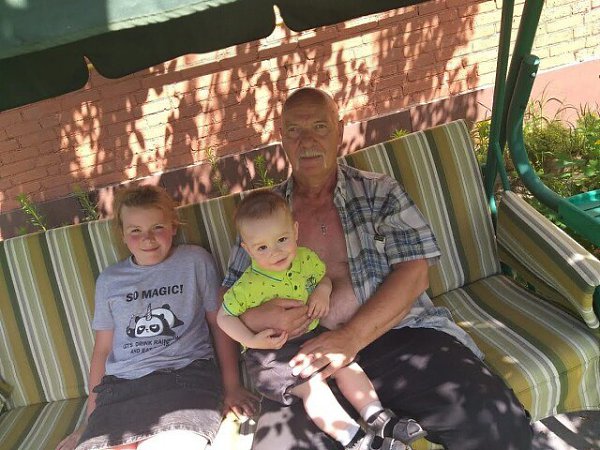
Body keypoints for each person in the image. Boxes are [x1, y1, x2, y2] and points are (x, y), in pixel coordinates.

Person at [221, 87, 533, 450]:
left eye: (320, 127)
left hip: (396, 336)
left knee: (495, 423)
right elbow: (230, 299)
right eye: (294, 131)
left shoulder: (378, 192)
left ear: (339, 130)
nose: (307, 141)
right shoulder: (263, 215)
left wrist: (350, 338)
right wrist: (261, 317)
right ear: (281, 138)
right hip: (302, 358)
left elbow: (415, 273)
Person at [217, 190, 426, 450]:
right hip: (271, 354)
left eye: (282, 239)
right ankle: (355, 440)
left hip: (309, 336)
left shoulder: (305, 258)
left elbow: (322, 278)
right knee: (313, 386)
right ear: (247, 250)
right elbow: (224, 316)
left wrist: (322, 292)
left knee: (345, 364)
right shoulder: (248, 285)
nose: (275, 252)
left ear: (295, 231)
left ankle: (378, 417)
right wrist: (251, 340)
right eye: (262, 247)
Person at [57, 185, 257, 450]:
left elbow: (220, 322)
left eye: (157, 227)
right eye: (135, 231)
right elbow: (102, 350)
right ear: (122, 235)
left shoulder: (195, 261)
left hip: (184, 378)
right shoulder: (110, 280)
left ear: (173, 226)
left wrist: (232, 386)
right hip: (122, 389)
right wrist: (90, 421)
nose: (147, 239)